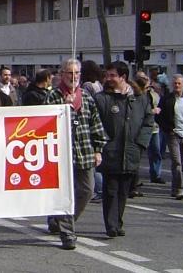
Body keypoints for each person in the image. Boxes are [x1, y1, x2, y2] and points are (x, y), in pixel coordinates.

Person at [46, 59, 106, 250]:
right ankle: (68, 233)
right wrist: (64, 108)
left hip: (85, 152)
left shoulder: (87, 97)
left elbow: (95, 123)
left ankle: (63, 219)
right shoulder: (54, 96)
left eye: (77, 73)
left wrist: (98, 149)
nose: (73, 77)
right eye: (69, 73)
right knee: (65, 194)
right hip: (61, 154)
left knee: (88, 190)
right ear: (62, 74)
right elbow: (45, 121)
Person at [94, 61, 154, 238]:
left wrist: (141, 143)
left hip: (131, 152)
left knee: (124, 191)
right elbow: (96, 123)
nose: (108, 79)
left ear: (123, 77)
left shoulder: (140, 98)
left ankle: (118, 221)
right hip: (110, 152)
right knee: (111, 190)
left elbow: (148, 121)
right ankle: (111, 225)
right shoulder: (102, 98)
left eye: (113, 75)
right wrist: (102, 142)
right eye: (107, 75)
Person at [157, 74, 183, 200]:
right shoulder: (166, 99)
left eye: (179, 83)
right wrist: (167, 129)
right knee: (177, 163)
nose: (177, 85)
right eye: (175, 83)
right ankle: (180, 190)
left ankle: (174, 188)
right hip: (173, 134)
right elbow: (159, 116)